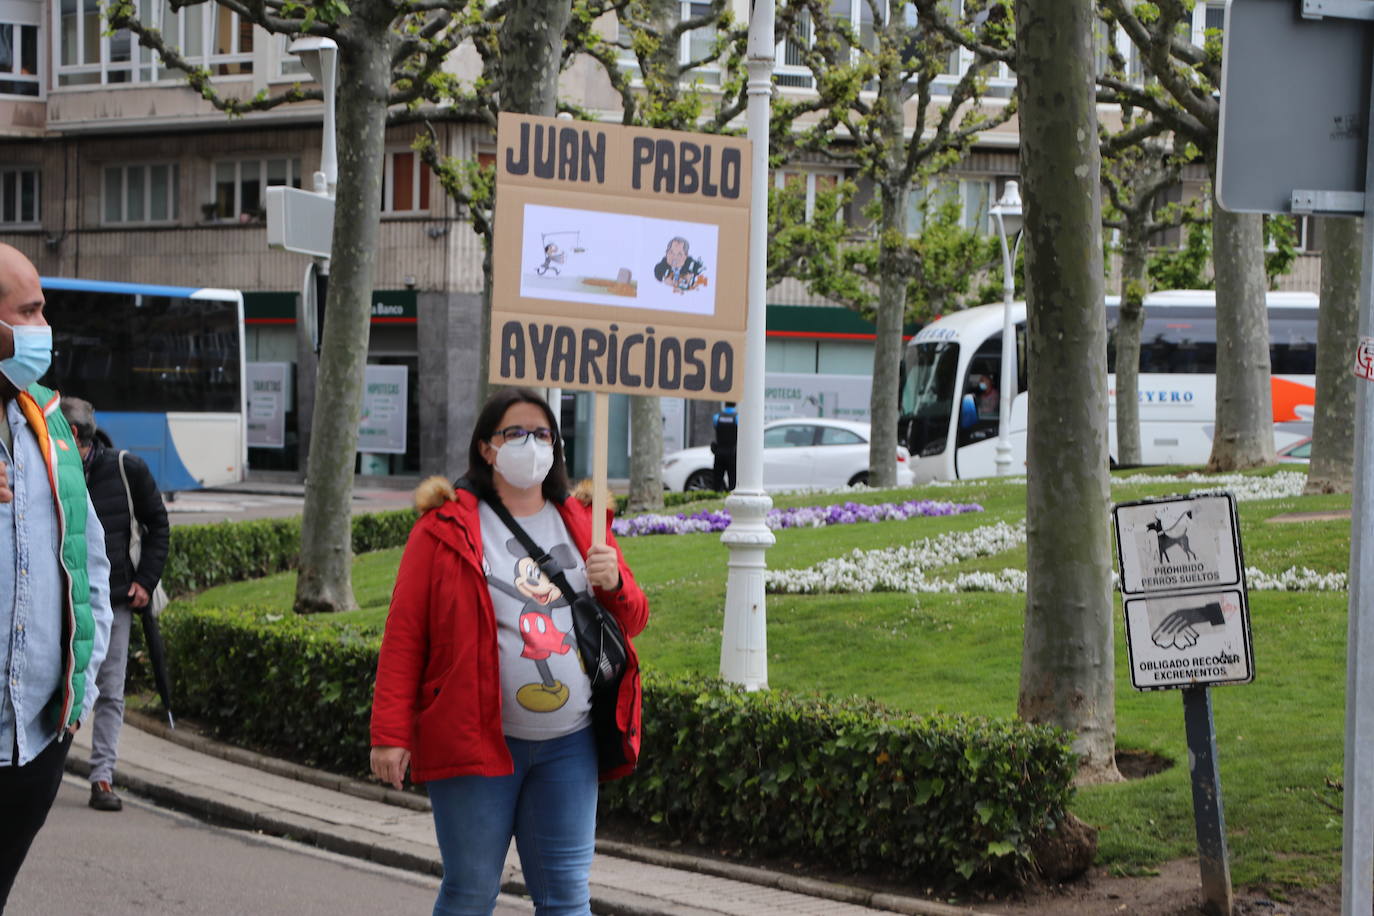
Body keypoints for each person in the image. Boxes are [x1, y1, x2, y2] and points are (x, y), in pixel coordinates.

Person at [370, 387, 649, 916]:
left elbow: (632, 620)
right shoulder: (444, 527)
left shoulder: (585, 520)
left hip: (570, 747)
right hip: (475, 745)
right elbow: (405, 635)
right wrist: (389, 735)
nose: (531, 444)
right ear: (486, 448)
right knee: (470, 893)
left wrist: (614, 583)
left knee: (567, 899)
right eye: (515, 433)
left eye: (542, 434)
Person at [0, 244, 112, 911]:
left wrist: (81, 690)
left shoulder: (50, 424)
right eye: (31, 310)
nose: (45, 326)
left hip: (35, 738)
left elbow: (89, 561)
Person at [58, 397, 169, 813]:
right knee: (59, 683)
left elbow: (158, 524)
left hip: (115, 599)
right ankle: (46, 767)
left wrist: (145, 581)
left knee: (109, 689)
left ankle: (102, 776)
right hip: (59, 600)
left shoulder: (126, 469)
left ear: (74, 437)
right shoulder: (46, 466)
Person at [711, 401, 738, 492]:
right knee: (732, 478)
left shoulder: (717, 417)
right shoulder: (737, 418)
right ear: (735, 404)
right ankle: (731, 494)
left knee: (717, 478)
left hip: (719, 452)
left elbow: (715, 427)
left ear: (725, 404)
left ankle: (717, 495)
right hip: (732, 452)